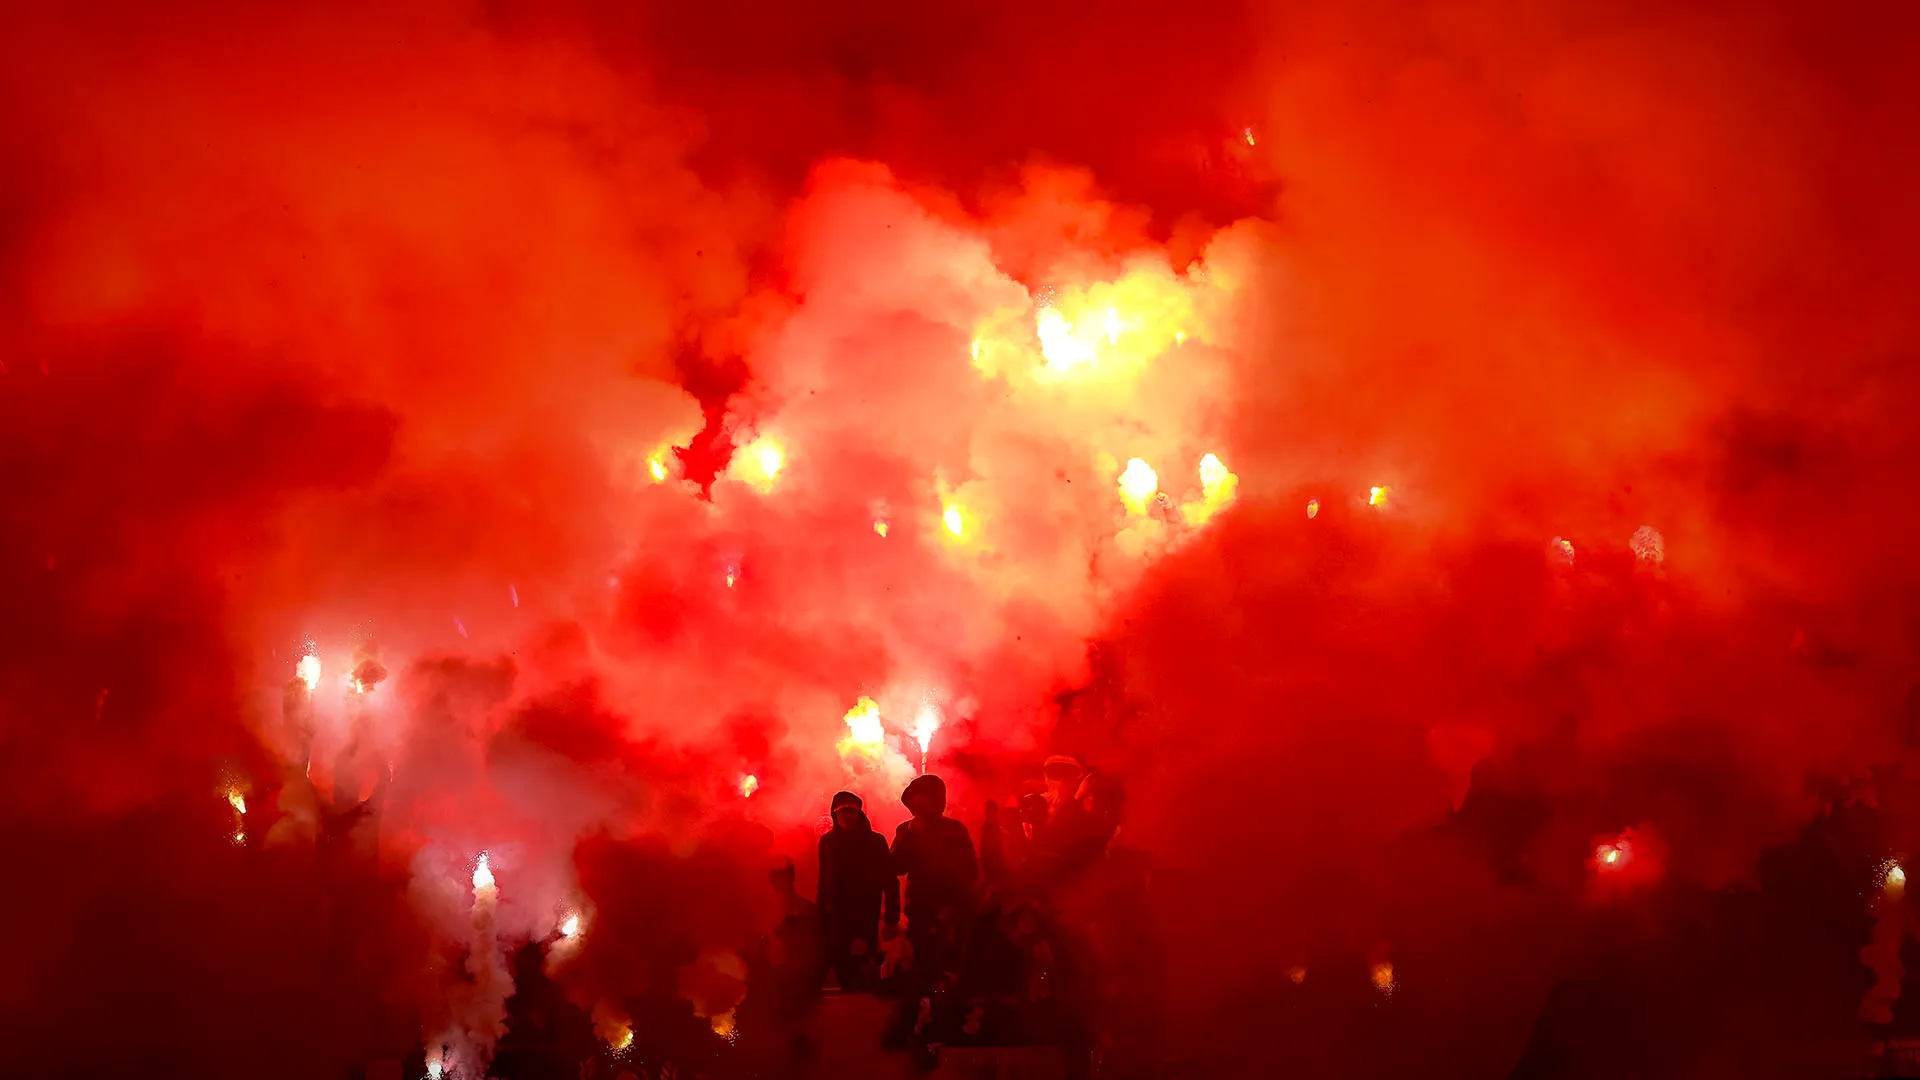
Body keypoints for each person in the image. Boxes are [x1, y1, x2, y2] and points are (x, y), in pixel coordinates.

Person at [889, 774, 978, 983]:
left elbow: (968, 871)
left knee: (947, 970)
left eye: (922, 798)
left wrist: (954, 906)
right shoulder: (906, 830)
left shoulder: (954, 830)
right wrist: (908, 836)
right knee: (920, 969)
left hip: (950, 912)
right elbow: (895, 866)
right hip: (919, 911)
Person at [817, 790, 898, 992]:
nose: (847, 816)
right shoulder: (828, 842)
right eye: (842, 811)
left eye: (851, 811)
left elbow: (889, 881)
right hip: (835, 920)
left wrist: (891, 919)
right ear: (835, 814)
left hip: (863, 919)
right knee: (840, 966)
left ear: (859, 813)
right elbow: (823, 880)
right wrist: (819, 917)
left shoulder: (874, 842)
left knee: (862, 969)